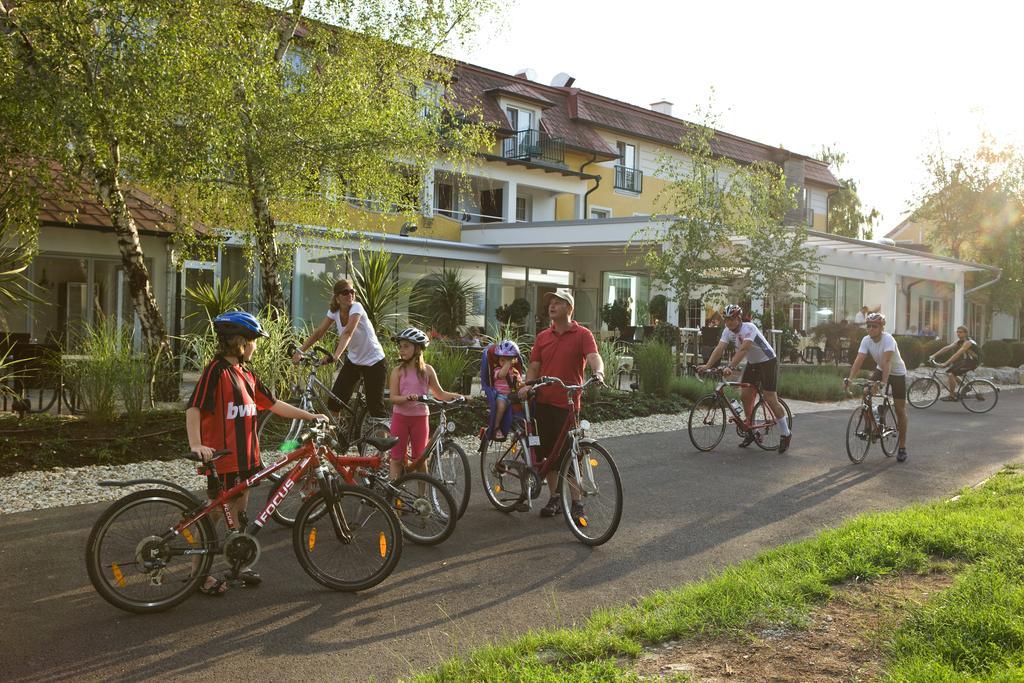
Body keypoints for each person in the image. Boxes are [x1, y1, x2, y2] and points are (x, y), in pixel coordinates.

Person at [187, 311, 327, 596]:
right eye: (254, 342)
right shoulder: (216, 371)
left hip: (247, 458)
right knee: (213, 517)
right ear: (241, 342)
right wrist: (196, 445)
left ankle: (238, 564)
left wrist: (310, 416)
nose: (256, 347)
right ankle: (197, 576)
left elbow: (274, 405)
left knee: (239, 513)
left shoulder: (247, 373)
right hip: (224, 459)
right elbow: (194, 408)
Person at [517, 289, 604, 519]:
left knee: (571, 454)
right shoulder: (543, 337)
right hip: (543, 401)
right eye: (550, 303)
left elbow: (594, 356)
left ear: (569, 308)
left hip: (568, 405)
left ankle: (576, 503)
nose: (551, 306)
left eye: (557, 302)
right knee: (548, 454)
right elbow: (535, 366)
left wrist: (599, 372)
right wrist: (527, 385)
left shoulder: (583, 334)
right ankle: (555, 497)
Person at [697, 304, 793, 453]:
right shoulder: (727, 331)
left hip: (768, 361)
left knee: (770, 398)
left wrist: (730, 367)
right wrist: (707, 365)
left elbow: (743, 349)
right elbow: (719, 349)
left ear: (739, 318)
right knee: (745, 395)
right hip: (753, 363)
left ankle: (786, 433)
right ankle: (751, 431)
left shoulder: (749, 328)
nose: (728, 322)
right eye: (726, 319)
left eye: (731, 319)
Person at [293, 279, 388, 422]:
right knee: (334, 403)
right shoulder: (334, 311)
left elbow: (348, 332)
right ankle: (335, 441)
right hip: (354, 361)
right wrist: (300, 350)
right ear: (337, 298)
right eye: (345, 292)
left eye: (352, 291)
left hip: (374, 361)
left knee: (375, 409)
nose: (350, 295)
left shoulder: (357, 307)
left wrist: (335, 356)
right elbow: (319, 331)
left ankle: (383, 443)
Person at [387, 327, 466, 480]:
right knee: (396, 458)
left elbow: (441, 394)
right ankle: (391, 496)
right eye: (400, 346)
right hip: (400, 417)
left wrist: (463, 397)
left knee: (420, 460)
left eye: (406, 346)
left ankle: (422, 498)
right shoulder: (397, 371)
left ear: (417, 349)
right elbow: (393, 398)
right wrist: (407, 398)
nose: (401, 350)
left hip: (420, 418)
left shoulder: (427, 371)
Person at [844, 312, 910, 462]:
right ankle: (871, 427)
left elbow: (887, 362)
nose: (871, 329)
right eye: (868, 326)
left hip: (897, 372)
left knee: (900, 410)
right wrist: (850, 378)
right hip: (881, 369)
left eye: (874, 326)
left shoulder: (888, 339)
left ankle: (902, 447)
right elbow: (859, 359)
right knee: (867, 391)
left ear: (881, 328)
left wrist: (883, 383)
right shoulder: (866, 340)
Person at [930, 325, 980, 400]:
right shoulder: (959, 341)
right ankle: (966, 387)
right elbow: (947, 348)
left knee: (951, 374)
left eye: (960, 332)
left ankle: (952, 396)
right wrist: (933, 355)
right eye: (957, 332)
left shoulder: (968, 342)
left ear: (965, 333)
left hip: (973, 362)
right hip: (968, 361)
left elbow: (958, 354)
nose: (958, 333)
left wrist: (946, 363)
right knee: (950, 372)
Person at [490, 340, 523, 440]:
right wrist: (507, 363)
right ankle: (496, 427)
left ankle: (520, 428)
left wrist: (521, 385)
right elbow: (502, 375)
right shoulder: (497, 370)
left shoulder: (514, 371)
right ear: (498, 361)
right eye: (502, 360)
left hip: (513, 396)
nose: (504, 362)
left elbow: (519, 383)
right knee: (500, 407)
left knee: (525, 406)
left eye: (508, 360)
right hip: (501, 395)